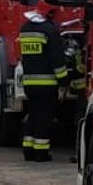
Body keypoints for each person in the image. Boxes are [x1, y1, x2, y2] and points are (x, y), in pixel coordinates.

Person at [16, 11, 64, 162]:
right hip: (47, 84)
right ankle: (41, 153)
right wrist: (63, 80)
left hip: (29, 83)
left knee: (33, 115)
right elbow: (57, 59)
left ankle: (28, 150)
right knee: (44, 118)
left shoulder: (25, 29)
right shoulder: (49, 31)